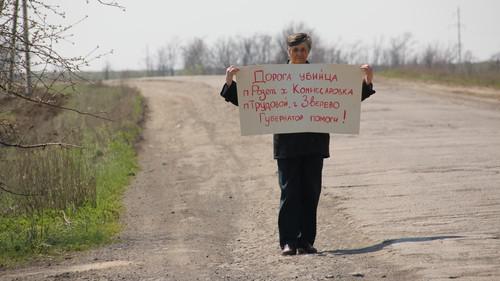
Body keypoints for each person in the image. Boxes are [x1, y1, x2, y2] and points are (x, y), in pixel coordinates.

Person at [219, 33, 375, 256]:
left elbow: (345, 98)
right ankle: (288, 242)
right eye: (295, 50)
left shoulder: (324, 77)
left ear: (308, 51)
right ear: (288, 51)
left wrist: (367, 80)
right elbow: (250, 102)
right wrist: (229, 82)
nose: (300, 54)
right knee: (289, 193)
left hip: (314, 144)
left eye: (303, 50)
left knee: (310, 194)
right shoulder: (274, 79)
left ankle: (306, 242)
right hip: (287, 146)